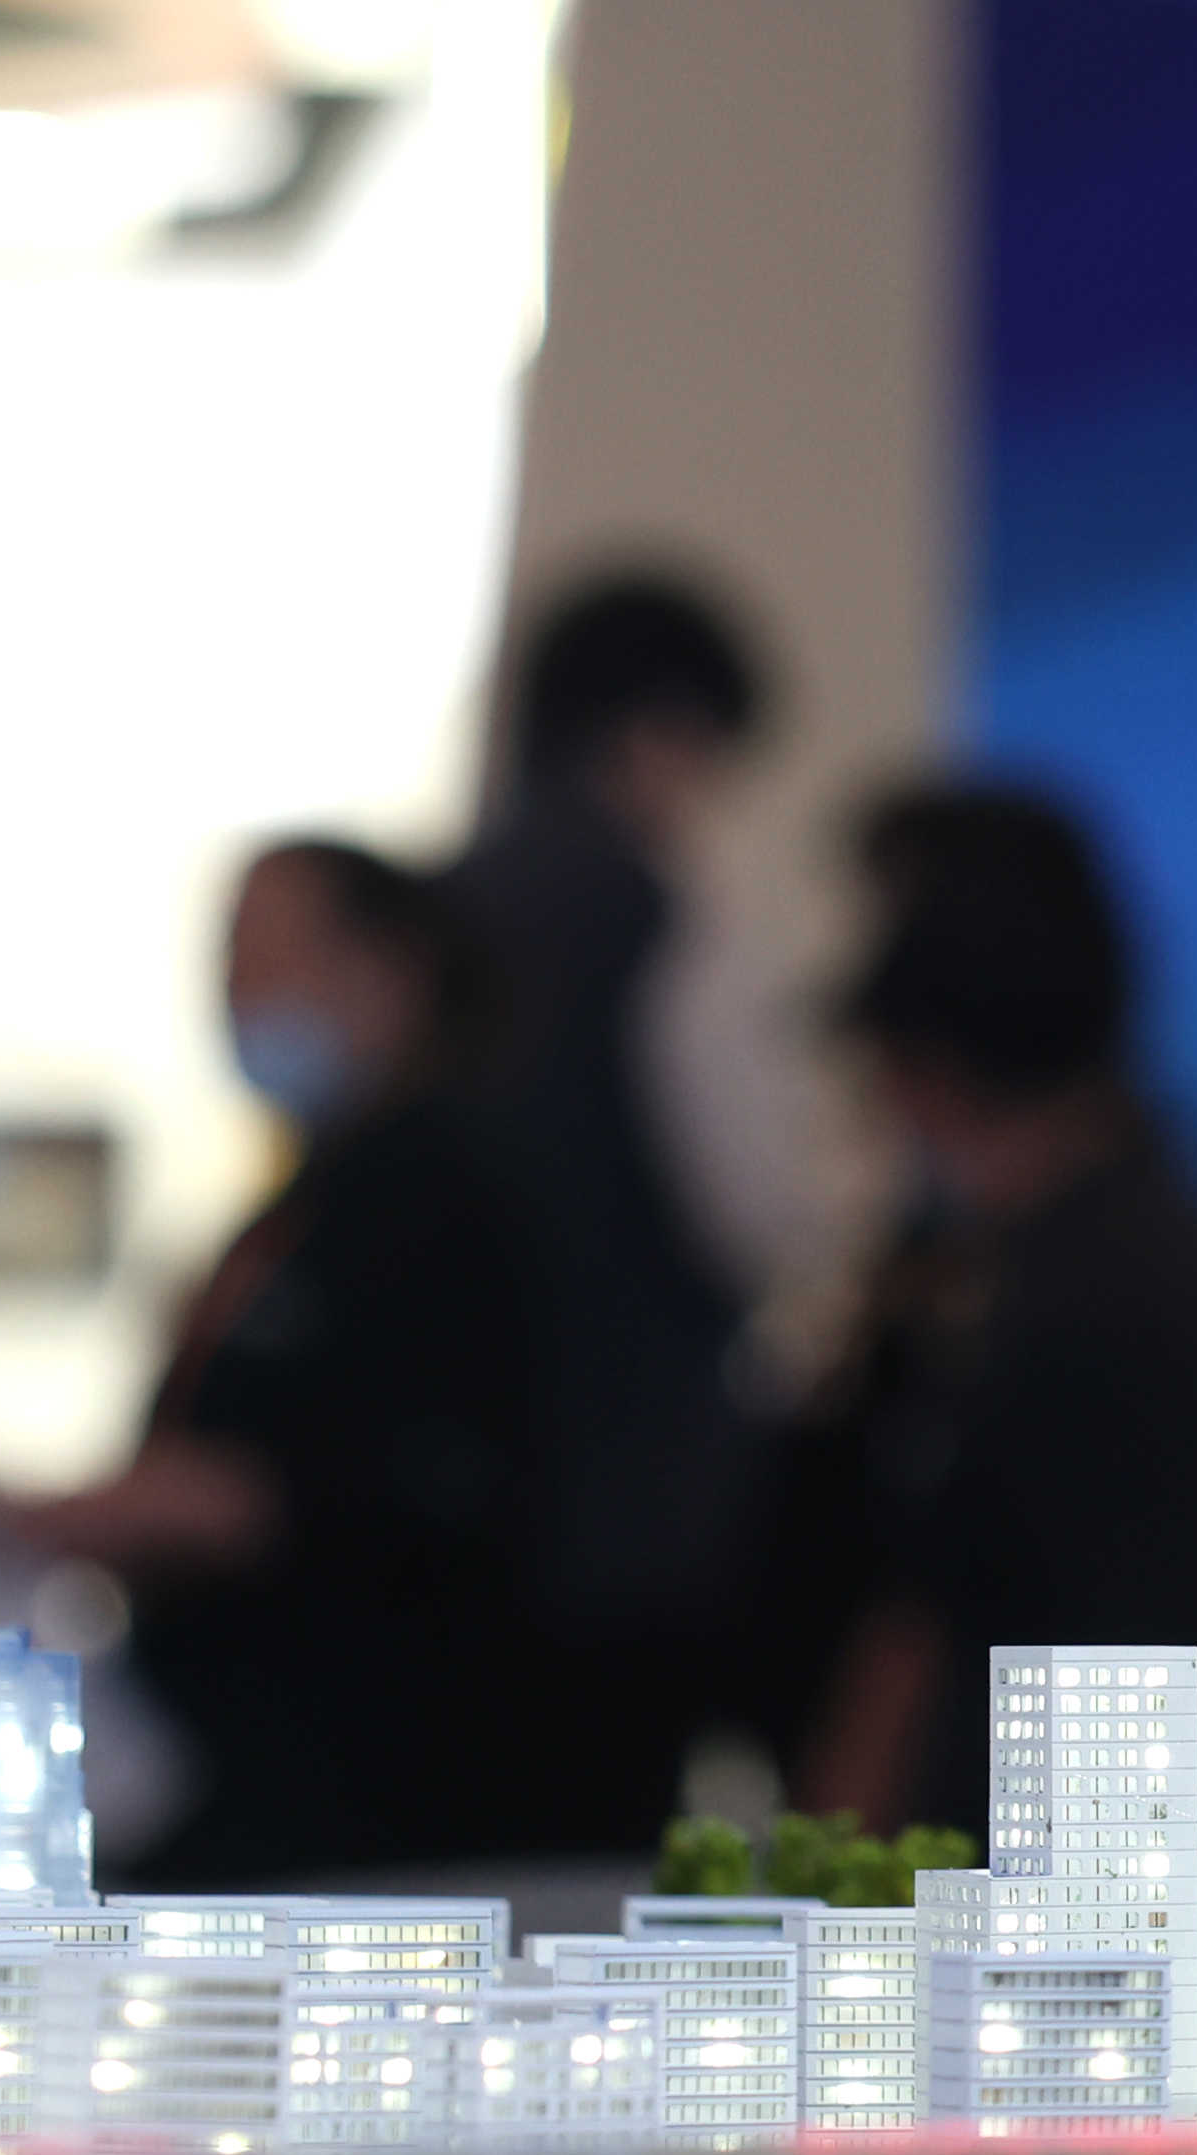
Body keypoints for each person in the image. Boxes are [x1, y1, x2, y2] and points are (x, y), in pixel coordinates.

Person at [0, 842, 554, 1881]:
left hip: (346, 1794)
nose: (236, 993)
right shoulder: (307, 1198)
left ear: (390, 969)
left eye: (265, 955)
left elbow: (289, 1487)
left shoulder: (428, 1199)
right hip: (234, 1763)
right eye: (226, 960)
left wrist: (43, 1517)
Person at [776, 782, 1197, 1838]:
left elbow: (931, 1625)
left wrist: (828, 1881)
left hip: (1084, 1877)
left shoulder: (1074, 1297)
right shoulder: (1134, 1247)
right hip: (1143, 1863)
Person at [444, 570, 783, 1837]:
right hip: (625, 1512)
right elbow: (748, 1211)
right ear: (655, 734)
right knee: (598, 1869)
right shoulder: (650, 914)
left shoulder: (452, 906)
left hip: (455, 1503)